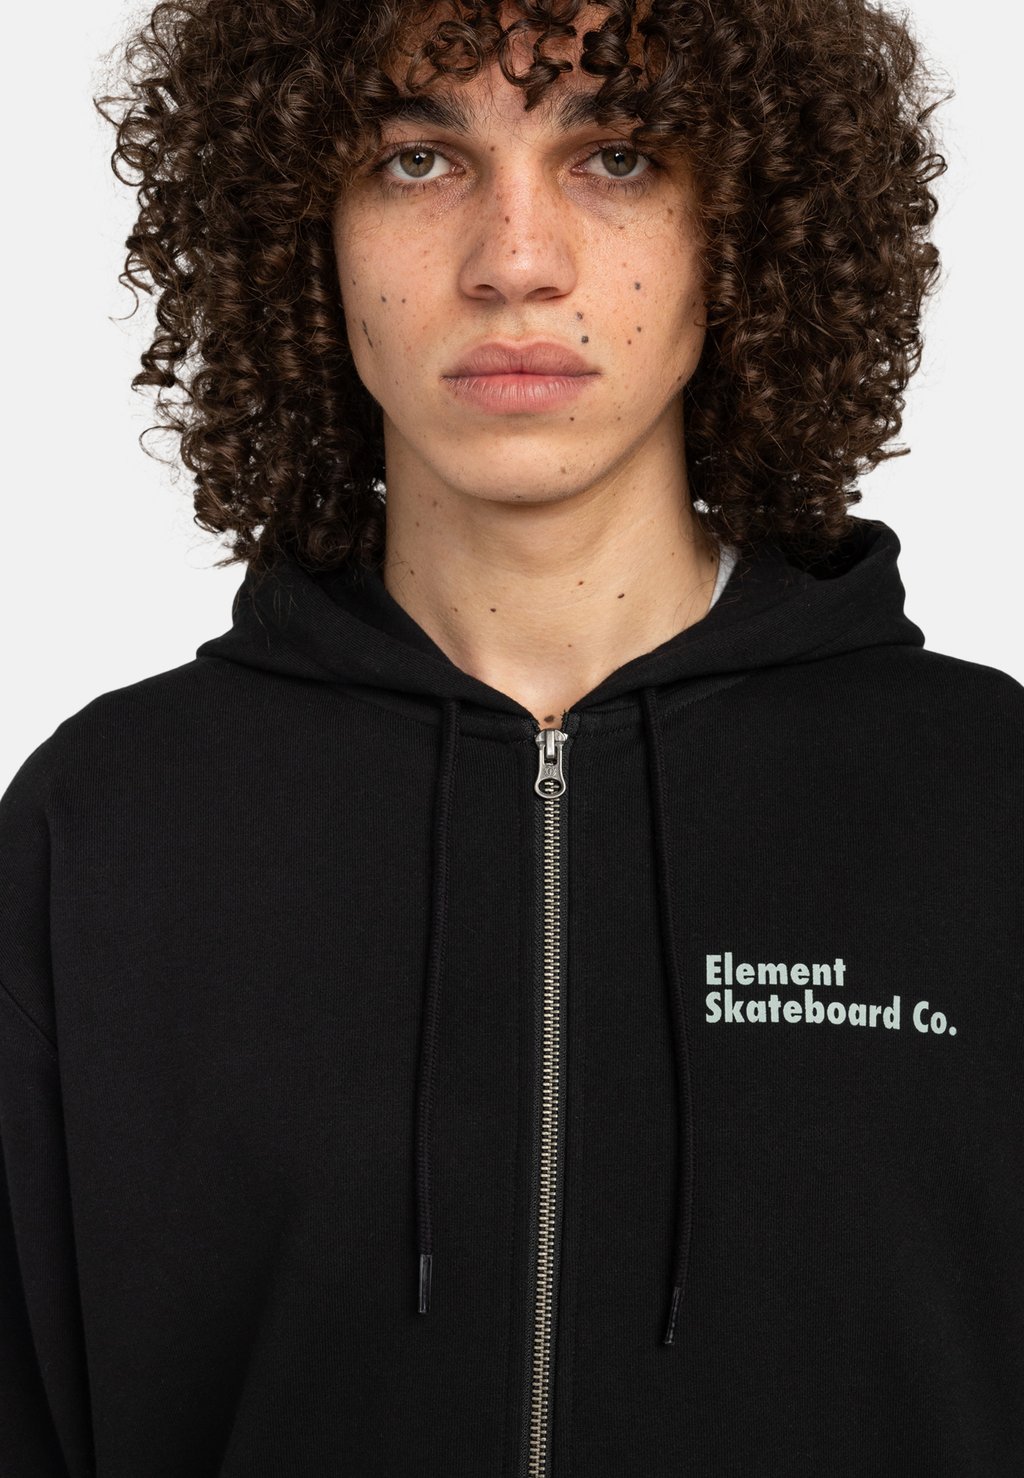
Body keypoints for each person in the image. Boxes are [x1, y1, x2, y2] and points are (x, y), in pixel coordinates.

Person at [1, 0, 1021, 1473]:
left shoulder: (990, 804)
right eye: (418, 161)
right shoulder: (106, 831)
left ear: (744, 225)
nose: (515, 260)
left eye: (617, 156)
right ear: (302, 229)